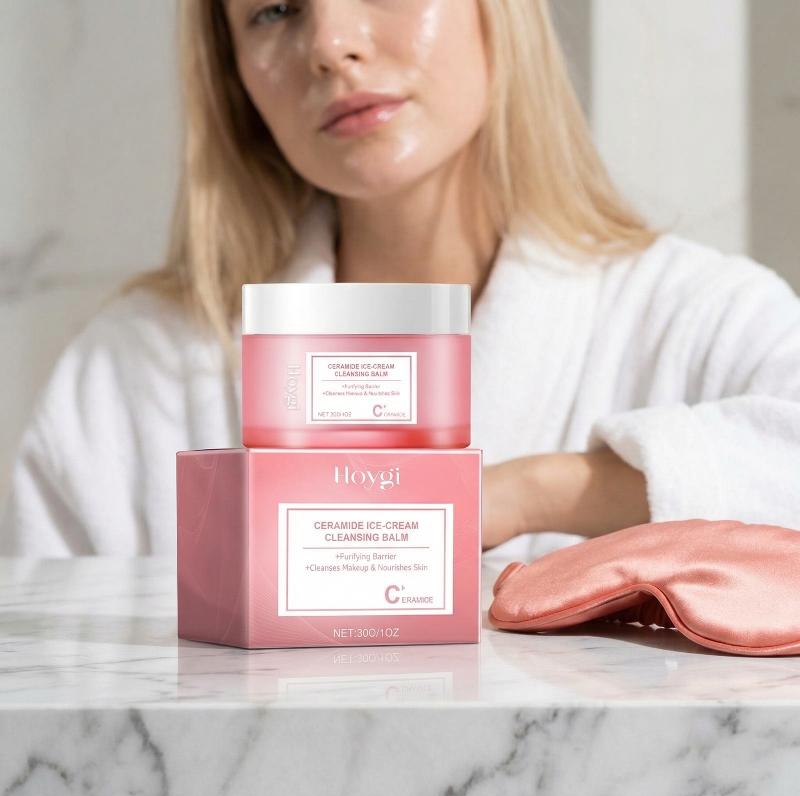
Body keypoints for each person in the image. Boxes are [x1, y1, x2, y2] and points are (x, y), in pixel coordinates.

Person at [2, 0, 800, 558]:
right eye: (273, 11)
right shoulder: (133, 374)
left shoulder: (702, 318)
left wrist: (530, 494)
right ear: (231, 75)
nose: (330, 43)